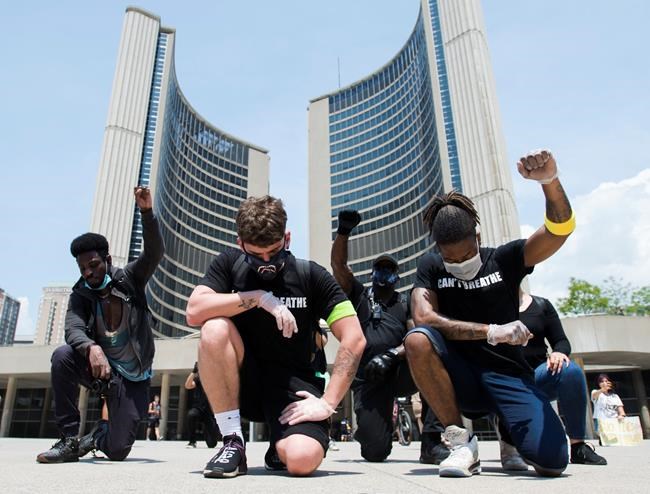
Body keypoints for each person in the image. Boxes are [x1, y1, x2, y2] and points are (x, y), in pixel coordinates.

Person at [405, 149, 574, 477]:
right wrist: (490, 330)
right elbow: (424, 318)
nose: (459, 263)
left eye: (466, 254)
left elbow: (559, 230)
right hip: (460, 377)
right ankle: (460, 442)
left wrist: (549, 183)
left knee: (552, 463)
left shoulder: (506, 258)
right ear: (438, 250)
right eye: (450, 259)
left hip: (507, 374)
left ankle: (509, 432)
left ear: (478, 238)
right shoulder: (430, 266)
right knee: (417, 340)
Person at [185, 195, 365, 478]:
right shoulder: (229, 264)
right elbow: (194, 311)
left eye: (275, 251)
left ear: (288, 238)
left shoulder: (311, 275)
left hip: (294, 387)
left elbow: (354, 338)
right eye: (257, 255)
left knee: (302, 460)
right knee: (213, 327)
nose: (267, 263)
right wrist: (257, 298)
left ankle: (280, 445)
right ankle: (233, 442)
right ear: (240, 244)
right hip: (244, 384)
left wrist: (328, 402)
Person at [36, 186, 164, 463]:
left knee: (118, 451)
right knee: (63, 356)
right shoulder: (80, 294)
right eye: (82, 269)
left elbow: (154, 253)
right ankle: (69, 440)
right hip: (99, 369)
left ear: (107, 260)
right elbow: (73, 328)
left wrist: (147, 212)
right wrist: (90, 346)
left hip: (132, 377)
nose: (88, 273)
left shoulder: (130, 278)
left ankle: (97, 436)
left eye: (93, 265)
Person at [331, 210, 448, 464]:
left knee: (434, 354)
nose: (384, 273)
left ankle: (431, 441)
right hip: (370, 377)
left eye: (389, 269)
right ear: (373, 273)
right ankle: (369, 425)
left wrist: (392, 355)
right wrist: (343, 232)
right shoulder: (360, 295)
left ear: (397, 275)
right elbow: (339, 267)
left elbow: (417, 335)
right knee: (375, 452)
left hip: (399, 370)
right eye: (380, 269)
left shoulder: (405, 301)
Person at [519, 290, 607, 465]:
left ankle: (578, 446)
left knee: (571, 370)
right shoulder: (490, 306)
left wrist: (558, 352)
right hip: (505, 381)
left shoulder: (541, 305)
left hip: (538, 377)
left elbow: (561, 340)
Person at [185, 362, 220, 448]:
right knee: (191, 415)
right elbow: (188, 385)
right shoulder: (198, 378)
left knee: (212, 444)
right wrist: (194, 371)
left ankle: (206, 431)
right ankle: (192, 442)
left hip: (209, 411)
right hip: (198, 408)